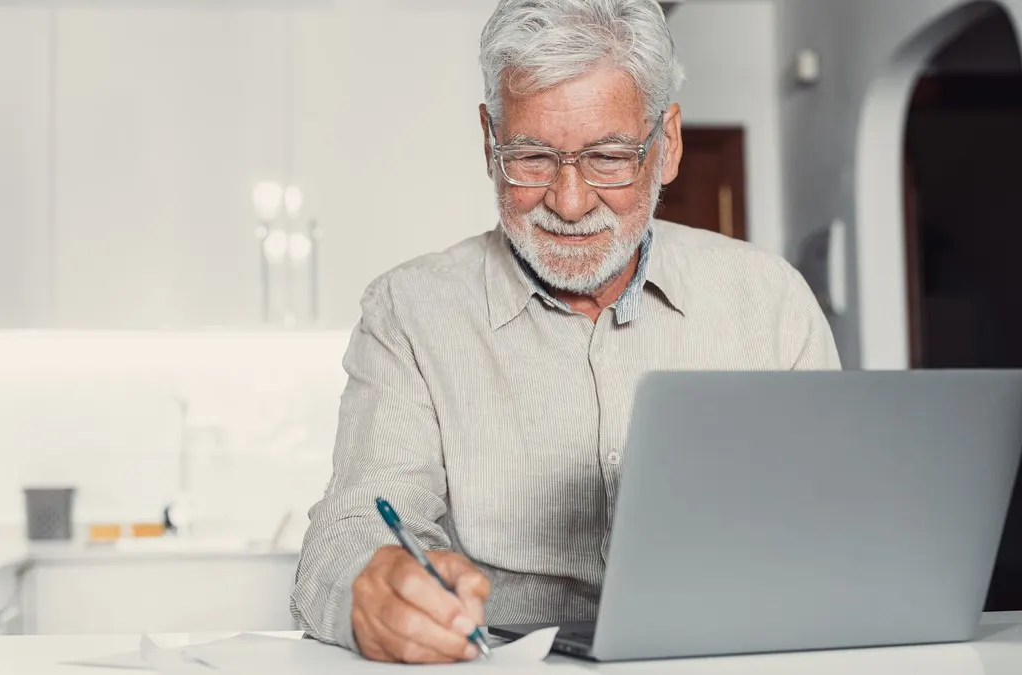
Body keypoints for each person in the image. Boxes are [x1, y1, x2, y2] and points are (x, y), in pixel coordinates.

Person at [289, 0, 840, 664]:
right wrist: (372, 589)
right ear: (490, 141)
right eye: (533, 158)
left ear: (667, 143)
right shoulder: (409, 310)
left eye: (609, 157)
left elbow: (831, 526)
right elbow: (351, 525)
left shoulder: (771, 301)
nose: (569, 202)